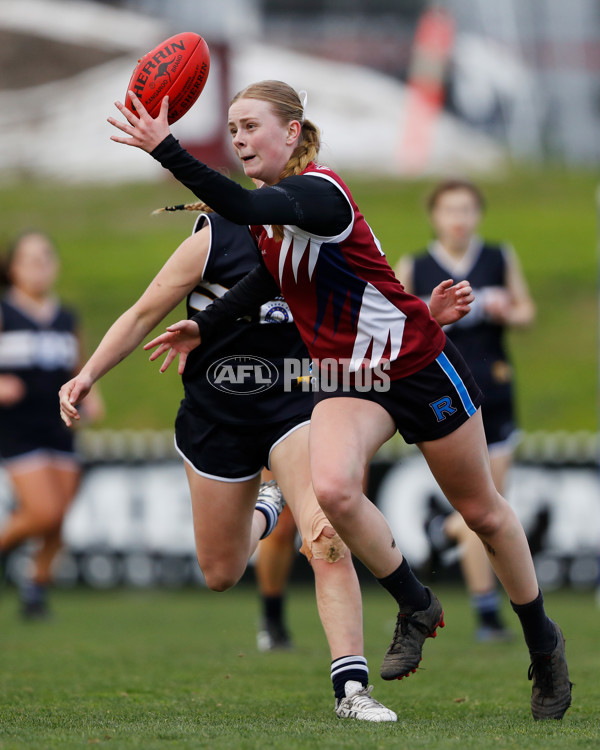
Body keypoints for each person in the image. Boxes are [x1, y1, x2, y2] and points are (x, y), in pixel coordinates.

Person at [107, 81, 572, 721]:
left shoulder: (319, 193)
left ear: (292, 133)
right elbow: (269, 276)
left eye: (251, 127)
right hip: (356, 380)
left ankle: (543, 644)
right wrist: (206, 327)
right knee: (333, 489)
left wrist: (167, 148)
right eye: (233, 129)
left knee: (483, 513)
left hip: (418, 368)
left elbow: (237, 208)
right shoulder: (274, 217)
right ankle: (415, 601)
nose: (240, 140)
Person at [59, 206, 474, 719]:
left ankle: (351, 690)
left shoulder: (328, 227)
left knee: (327, 532)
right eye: (240, 136)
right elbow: (145, 312)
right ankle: (271, 505)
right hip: (217, 415)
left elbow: (374, 313)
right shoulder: (216, 237)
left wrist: (427, 315)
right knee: (221, 571)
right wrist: (88, 374)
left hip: (297, 406)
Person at [396, 178, 536, 642]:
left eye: (467, 209)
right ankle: (488, 612)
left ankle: (446, 532)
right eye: (450, 209)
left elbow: (526, 312)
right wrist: (428, 310)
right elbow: (393, 318)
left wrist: (504, 308)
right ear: (434, 216)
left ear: (478, 215)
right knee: (484, 509)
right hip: (444, 395)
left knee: (490, 506)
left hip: (495, 389)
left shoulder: (499, 256)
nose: (459, 218)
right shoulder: (417, 265)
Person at [0, 231, 103, 618]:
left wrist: (91, 398)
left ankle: (35, 589)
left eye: (45, 257)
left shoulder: (65, 316)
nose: (39, 266)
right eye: (29, 259)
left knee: (58, 516)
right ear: (13, 269)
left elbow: (78, 367)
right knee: (43, 511)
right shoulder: (5, 312)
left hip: (59, 422)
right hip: (18, 426)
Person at [254, 469, 297, 652]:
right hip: (289, 440)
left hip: (336, 440)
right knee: (281, 527)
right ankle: (272, 618)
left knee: (344, 512)